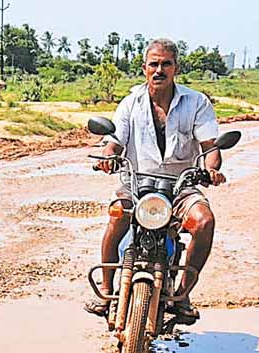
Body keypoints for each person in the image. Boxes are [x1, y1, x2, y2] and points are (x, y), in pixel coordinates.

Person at [84, 38, 225, 324]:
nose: (159, 70)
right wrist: (107, 156)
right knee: (116, 216)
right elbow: (114, 140)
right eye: (154, 64)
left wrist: (211, 169)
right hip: (136, 184)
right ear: (144, 68)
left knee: (204, 222)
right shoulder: (130, 103)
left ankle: (183, 293)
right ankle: (107, 290)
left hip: (181, 185)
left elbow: (210, 146)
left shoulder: (196, 102)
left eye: (166, 64)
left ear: (176, 68)